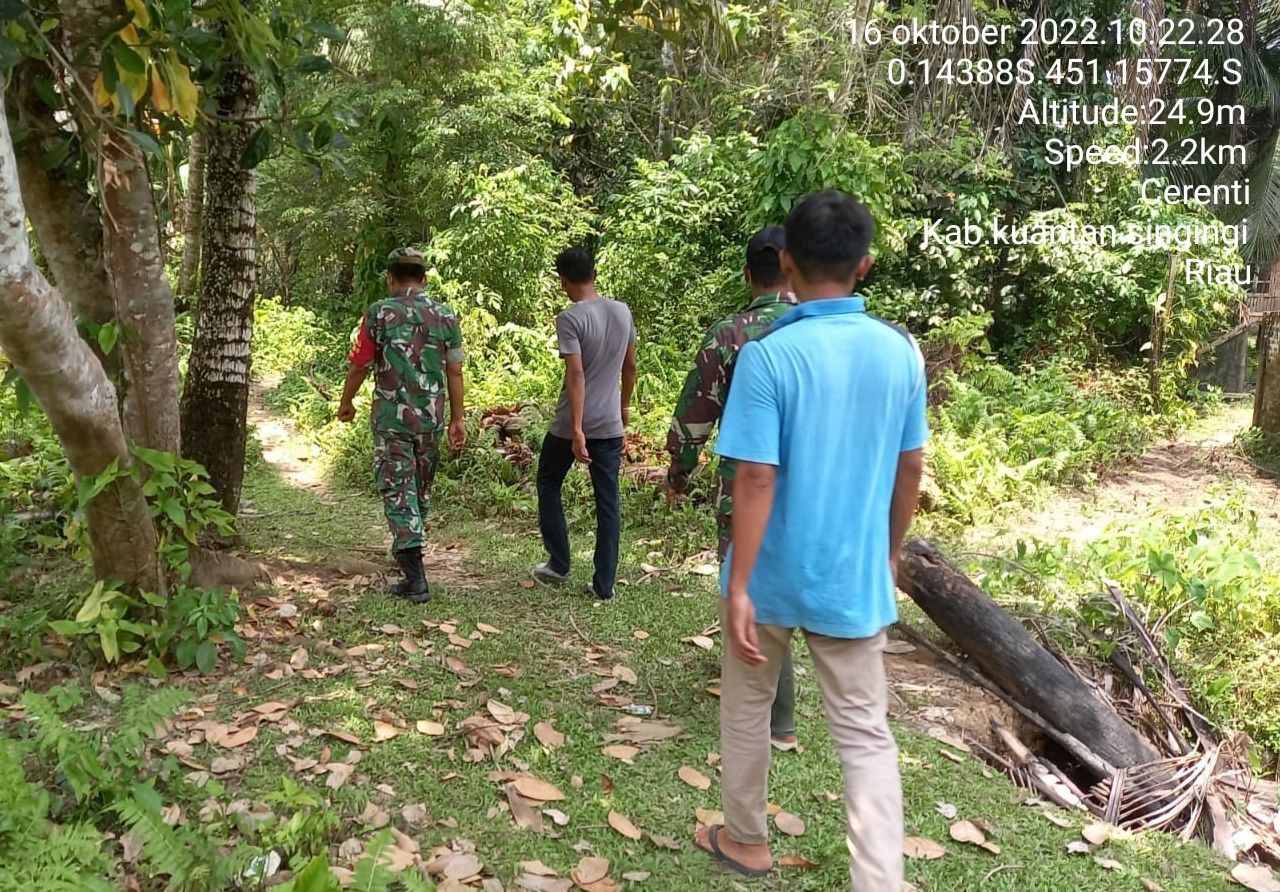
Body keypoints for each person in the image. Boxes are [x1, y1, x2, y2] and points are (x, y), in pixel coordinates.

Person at [694, 190, 927, 889]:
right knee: (864, 734)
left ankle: (745, 840)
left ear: (787, 262)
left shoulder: (769, 357)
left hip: (768, 577)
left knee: (746, 706)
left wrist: (738, 583)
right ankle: (877, 879)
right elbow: (910, 465)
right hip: (851, 577)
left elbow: (756, 477)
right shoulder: (900, 354)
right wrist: (887, 553)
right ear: (865, 264)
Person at [665, 225, 801, 752]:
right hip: (814, 486)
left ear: (749, 275)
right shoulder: (817, 331)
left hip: (744, 487)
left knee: (750, 590)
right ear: (793, 267)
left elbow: (693, 418)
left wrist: (678, 473)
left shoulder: (730, 334)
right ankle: (783, 713)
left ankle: (775, 718)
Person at [337, 247, 466, 604]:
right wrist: (458, 417)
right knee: (419, 489)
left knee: (399, 488)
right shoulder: (444, 315)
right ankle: (410, 554)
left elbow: (360, 364)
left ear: (390, 278)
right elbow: (454, 369)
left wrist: (346, 401)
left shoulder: (378, 313)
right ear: (423, 279)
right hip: (431, 418)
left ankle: (415, 577)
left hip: (392, 419)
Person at [532, 246, 637, 601]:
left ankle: (559, 562)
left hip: (570, 424)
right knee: (608, 504)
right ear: (593, 272)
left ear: (563, 280)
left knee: (548, 482)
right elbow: (630, 366)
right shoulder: (622, 311)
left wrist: (576, 429)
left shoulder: (571, 318)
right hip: (609, 423)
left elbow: (576, 374)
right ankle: (603, 585)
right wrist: (624, 407)